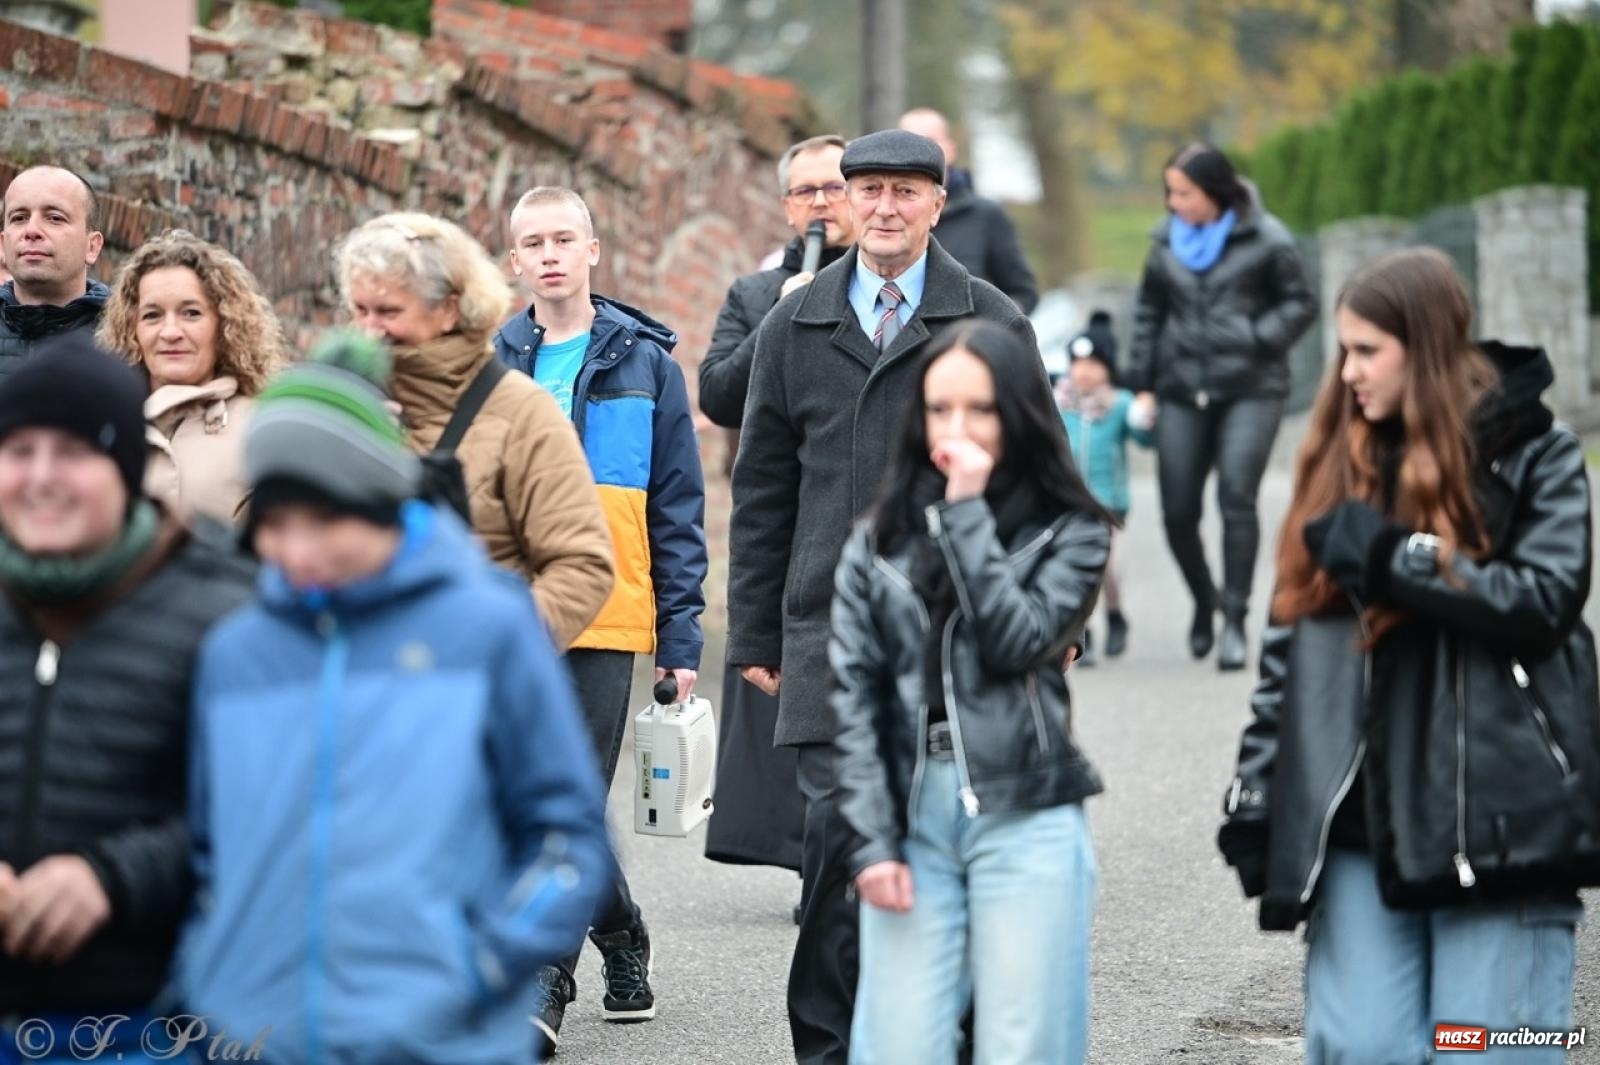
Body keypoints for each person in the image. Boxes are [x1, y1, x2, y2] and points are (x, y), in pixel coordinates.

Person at [179, 333, 613, 1065]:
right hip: (257, 1034)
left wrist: (481, 967)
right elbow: (200, 845)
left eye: (324, 522)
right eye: (275, 526)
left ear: (378, 500)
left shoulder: (488, 627)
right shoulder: (236, 652)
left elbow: (567, 839)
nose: (297, 552)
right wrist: (211, 976)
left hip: (446, 1035)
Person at [1217, 248, 1599, 1064]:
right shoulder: (1338, 461)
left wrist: (1402, 557)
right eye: (1343, 349)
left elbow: (1544, 600)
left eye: (1366, 350)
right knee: (1362, 1045)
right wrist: (1258, 787)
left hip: (1498, 819)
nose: (1347, 371)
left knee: (1488, 1047)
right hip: (1360, 820)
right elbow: (1291, 644)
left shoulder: (1538, 452)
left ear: (1422, 348)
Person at [728, 128, 1042, 1065]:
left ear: (939, 203)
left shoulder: (991, 320)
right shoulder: (795, 322)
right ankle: (828, 1048)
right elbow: (762, 487)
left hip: (961, 635)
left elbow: (1040, 483)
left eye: (907, 190)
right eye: (868, 189)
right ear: (846, 201)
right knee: (839, 846)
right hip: (831, 629)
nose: (885, 206)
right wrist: (755, 628)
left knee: (951, 850)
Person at [833, 320, 1110, 1065]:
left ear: (1017, 413)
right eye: (939, 408)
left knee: (1024, 1045)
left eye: (979, 408)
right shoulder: (875, 541)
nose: (956, 428)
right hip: (912, 809)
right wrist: (873, 840)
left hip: (1025, 807)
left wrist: (964, 511)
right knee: (897, 1047)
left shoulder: (1072, 531)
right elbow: (854, 699)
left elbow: (1015, 640)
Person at [494, 186, 708, 1052]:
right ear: (514, 260)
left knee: (570, 794)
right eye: (533, 242)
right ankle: (619, 929)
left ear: (592, 250)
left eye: (563, 239)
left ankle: (547, 974)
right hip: (509, 614)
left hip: (608, 612)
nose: (549, 254)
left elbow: (677, 509)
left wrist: (681, 635)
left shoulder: (647, 364)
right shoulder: (491, 361)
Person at [0, 337, 254, 1061]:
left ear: (126, 467)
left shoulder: (224, 614)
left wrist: (116, 877)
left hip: (156, 1027)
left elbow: (274, 810)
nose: (41, 477)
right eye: (19, 451)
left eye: (73, 453)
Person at [335, 211, 613, 651]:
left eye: (388, 312)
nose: (368, 332)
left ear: (448, 309)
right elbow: (259, 534)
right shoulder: (334, 396)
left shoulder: (522, 413)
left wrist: (486, 650)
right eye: (360, 310)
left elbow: (582, 567)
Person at [699, 133, 857, 882]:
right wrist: (781, 316)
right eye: (806, 191)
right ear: (788, 207)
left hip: (865, 513)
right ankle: (809, 862)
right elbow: (717, 394)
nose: (822, 203)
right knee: (786, 694)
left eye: (835, 187)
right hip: (785, 519)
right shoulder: (756, 294)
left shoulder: (891, 293)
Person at [1123, 142, 1315, 671]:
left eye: (1183, 192)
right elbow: (1148, 315)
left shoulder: (1267, 238)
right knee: (1178, 511)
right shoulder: (1165, 244)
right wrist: (1142, 384)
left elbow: (1301, 302)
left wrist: (1256, 334)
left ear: (1214, 192)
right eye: (1169, 192)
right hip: (1181, 391)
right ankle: (1204, 597)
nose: (1173, 203)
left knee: (1236, 498)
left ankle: (1234, 618)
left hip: (1252, 389)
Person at [97, 229, 286, 524]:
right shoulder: (103, 427)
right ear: (132, 330)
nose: (171, 332)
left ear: (224, 325)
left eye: (191, 313)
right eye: (152, 315)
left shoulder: (262, 427)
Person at [1054, 310, 1154, 665]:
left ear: (1108, 368)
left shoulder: (1119, 403)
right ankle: (1085, 633)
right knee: (1073, 568)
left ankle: (1115, 613)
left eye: (1094, 364)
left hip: (1106, 503)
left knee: (1105, 567)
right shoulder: (1058, 401)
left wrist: (1144, 417)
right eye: (1078, 363)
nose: (1084, 371)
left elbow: (1144, 438)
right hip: (1067, 501)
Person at [897, 108, 1038, 315]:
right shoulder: (882, 216)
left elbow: (1023, 294)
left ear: (951, 149)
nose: (919, 153)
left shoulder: (987, 216)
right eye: (908, 144)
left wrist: (985, 328)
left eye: (930, 142)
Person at [0, 166, 108, 374]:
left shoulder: (128, 339)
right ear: (3, 245)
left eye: (55, 218)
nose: (31, 230)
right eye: (19, 218)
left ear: (92, 246)